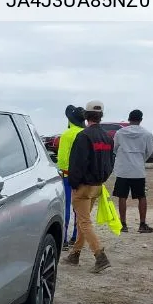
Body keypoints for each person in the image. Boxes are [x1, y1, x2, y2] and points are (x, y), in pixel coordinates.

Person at [62, 100, 113, 273]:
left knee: (84, 222)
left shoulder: (83, 136)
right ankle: (74, 254)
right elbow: (110, 162)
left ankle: (100, 256)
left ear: (86, 116)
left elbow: (77, 163)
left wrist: (74, 183)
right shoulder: (107, 137)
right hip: (97, 185)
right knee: (84, 222)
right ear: (101, 116)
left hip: (83, 186)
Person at [111, 109, 153, 233]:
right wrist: (140, 159)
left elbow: (114, 148)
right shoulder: (147, 134)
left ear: (129, 119)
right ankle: (142, 224)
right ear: (141, 120)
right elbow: (149, 151)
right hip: (138, 169)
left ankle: (123, 224)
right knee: (141, 196)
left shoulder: (120, 132)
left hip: (123, 169)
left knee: (122, 196)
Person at [56, 105, 85, 249]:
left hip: (68, 176)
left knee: (66, 206)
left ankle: (64, 239)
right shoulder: (86, 133)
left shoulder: (67, 135)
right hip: (84, 178)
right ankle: (76, 237)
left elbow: (61, 160)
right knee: (80, 209)